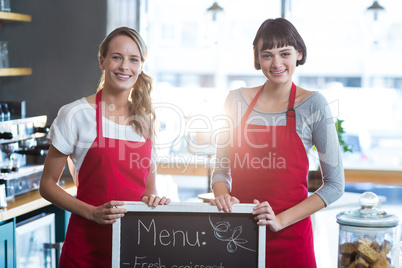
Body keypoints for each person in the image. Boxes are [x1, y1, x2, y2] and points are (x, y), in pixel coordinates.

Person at [210, 18, 344, 267]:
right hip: (239, 236)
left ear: (299, 54)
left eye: (285, 53)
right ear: (257, 58)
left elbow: (335, 185)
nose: (277, 63)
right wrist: (223, 196)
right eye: (267, 55)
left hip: (291, 240)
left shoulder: (314, 104)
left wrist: (280, 220)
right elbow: (220, 171)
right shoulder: (235, 101)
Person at [39, 27, 170, 268]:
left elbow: (148, 189)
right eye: (116, 57)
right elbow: (47, 185)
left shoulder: (146, 120)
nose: (124, 66)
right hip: (86, 248)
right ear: (102, 61)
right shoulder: (75, 114)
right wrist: (91, 213)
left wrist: (154, 200)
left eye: (134, 59)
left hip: (134, 248)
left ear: (141, 66)